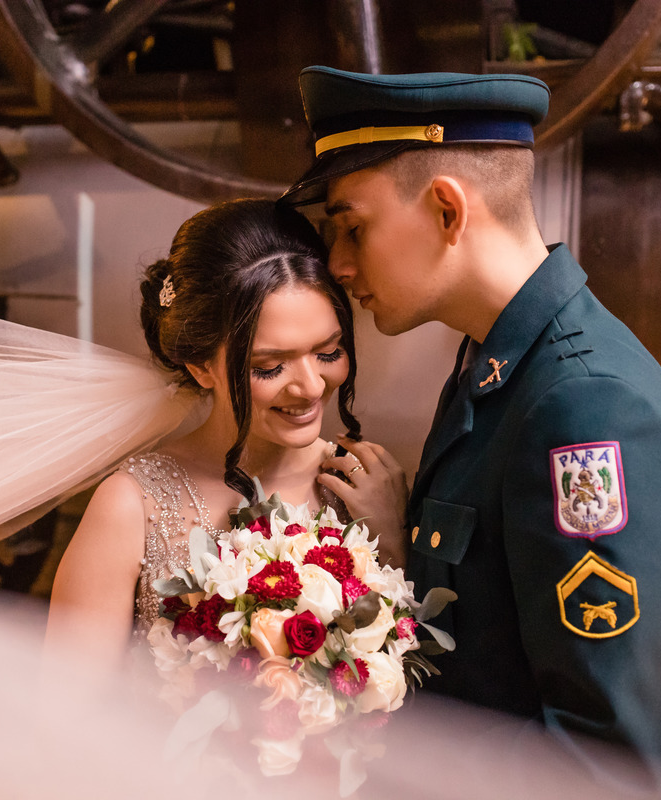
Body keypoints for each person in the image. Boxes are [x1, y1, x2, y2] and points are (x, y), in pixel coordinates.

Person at [292, 67, 661, 797]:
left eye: (352, 228)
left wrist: (370, 751)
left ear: (448, 210)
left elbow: (606, 772)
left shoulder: (584, 408)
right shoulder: (496, 358)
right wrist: (402, 549)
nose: (339, 265)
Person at [45, 198, 407, 651]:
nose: (312, 386)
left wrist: (394, 543)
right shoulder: (131, 506)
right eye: (270, 366)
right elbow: (67, 695)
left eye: (328, 352)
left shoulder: (367, 488)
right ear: (201, 366)